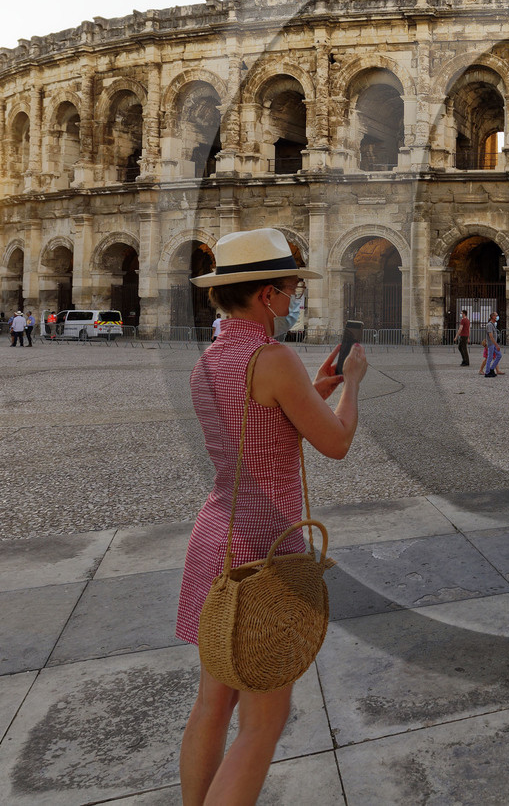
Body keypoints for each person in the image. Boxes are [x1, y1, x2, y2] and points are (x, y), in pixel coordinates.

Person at [175, 228, 363, 806]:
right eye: (289, 289)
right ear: (266, 296)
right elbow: (334, 442)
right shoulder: (275, 357)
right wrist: (350, 386)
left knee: (213, 704)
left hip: (216, 536)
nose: (293, 299)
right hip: (266, 545)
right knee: (262, 722)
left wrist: (317, 386)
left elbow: (257, 426)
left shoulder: (209, 360)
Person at [482, 313, 503, 377]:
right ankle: (487, 372)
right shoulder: (489, 325)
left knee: (499, 355)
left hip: (493, 344)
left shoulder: (493, 324)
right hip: (491, 344)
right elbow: (491, 336)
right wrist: (496, 345)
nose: (497, 317)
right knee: (490, 358)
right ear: (493, 316)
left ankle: (491, 368)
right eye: (496, 315)